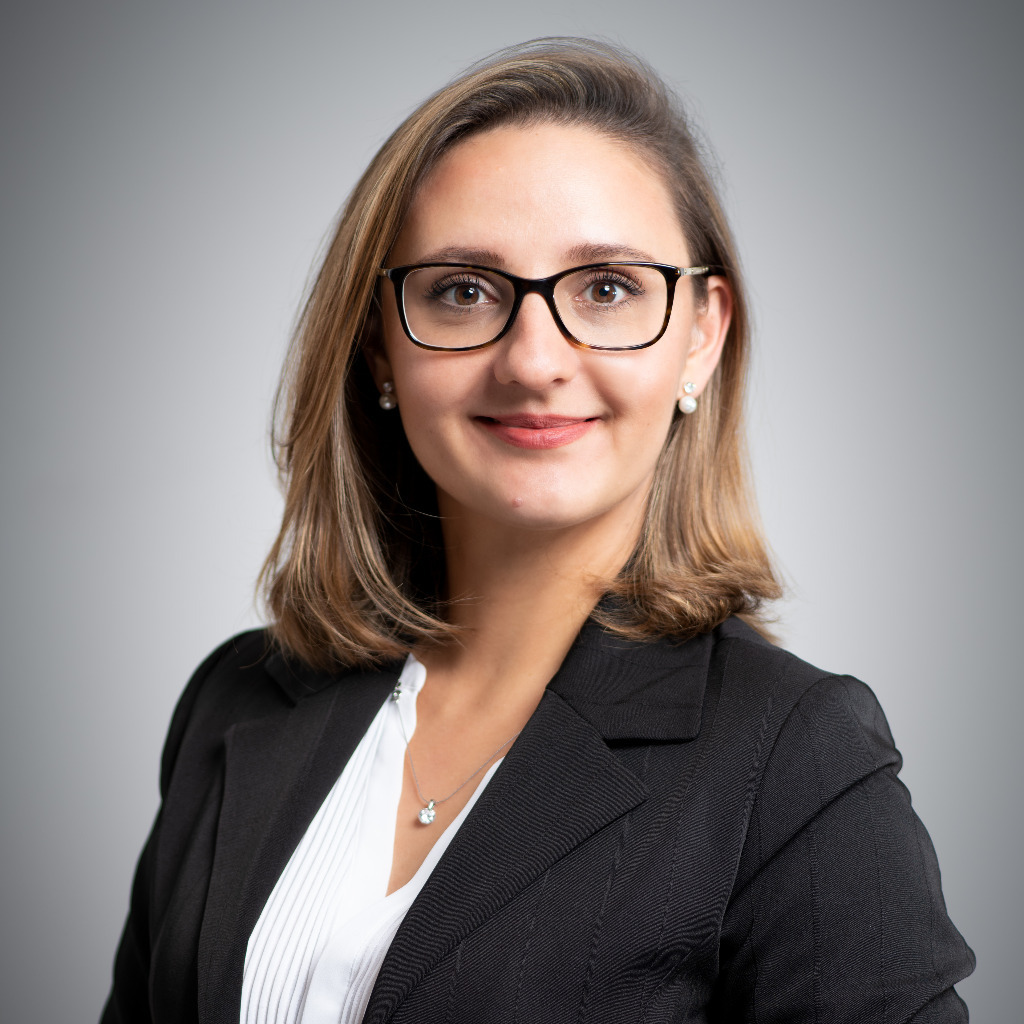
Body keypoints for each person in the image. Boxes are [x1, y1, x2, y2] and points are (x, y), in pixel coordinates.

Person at [101, 37, 974, 1023]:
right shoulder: (235, 698)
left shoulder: (796, 757)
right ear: (379, 346)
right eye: (462, 290)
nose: (533, 361)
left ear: (700, 336)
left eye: (606, 288)